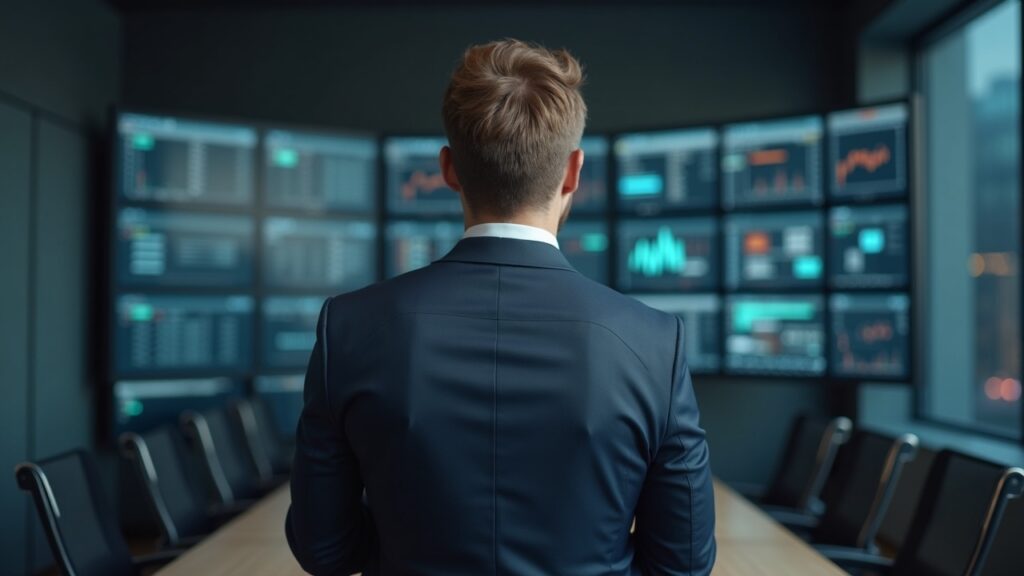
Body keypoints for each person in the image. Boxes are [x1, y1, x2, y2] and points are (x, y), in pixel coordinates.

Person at [286, 38, 716, 576]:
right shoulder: (655, 343)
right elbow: (684, 565)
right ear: (573, 172)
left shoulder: (348, 329)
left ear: (449, 169)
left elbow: (324, 551)